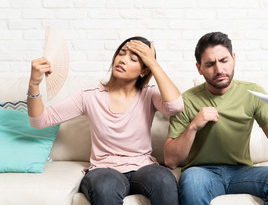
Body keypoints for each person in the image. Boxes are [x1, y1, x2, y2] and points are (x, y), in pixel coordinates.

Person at [27, 36, 184, 205]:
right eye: (121, 53)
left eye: (133, 59)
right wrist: (34, 83)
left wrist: (153, 63)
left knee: (163, 179)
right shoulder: (89, 96)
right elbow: (39, 121)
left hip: (143, 167)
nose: (123, 60)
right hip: (105, 170)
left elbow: (175, 106)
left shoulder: (149, 94)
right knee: (105, 186)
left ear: (143, 71)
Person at [164, 31, 268, 205]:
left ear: (234, 59)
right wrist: (193, 127)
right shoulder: (187, 100)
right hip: (201, 172)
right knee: (192, 183)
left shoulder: (252, 93)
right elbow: (170, 160)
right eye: (210, 64)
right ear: (199, 68)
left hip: (242, 172)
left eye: (224, 61)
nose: (219, 69)